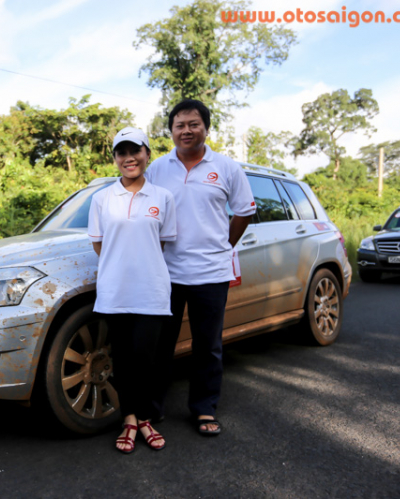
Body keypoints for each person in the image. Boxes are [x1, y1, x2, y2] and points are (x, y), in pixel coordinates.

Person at [144, 99, 256, 436]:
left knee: (207, 346)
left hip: (211, 273)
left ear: (206, 128)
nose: (186, 130)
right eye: (179, 125)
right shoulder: (157, 169)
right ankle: (152, 409)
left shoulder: (226, 168)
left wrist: (223, 246)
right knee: (161, 345)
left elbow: (244, 212)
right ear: (171, 131)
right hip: (167, 273)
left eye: (193, 124)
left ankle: (204, 408)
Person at [88, 127, 176, 454]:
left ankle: (145, 419)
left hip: (152, 290)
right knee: (123, 360)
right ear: (114, 159)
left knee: (146, 359)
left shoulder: (163, 198)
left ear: (147, 154)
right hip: (114, 291)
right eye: (121, 153)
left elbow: (163, 243)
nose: (129, 159)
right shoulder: (102, 199)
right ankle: (130, 419)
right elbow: (99, 244)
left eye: (135, 151)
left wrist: (140, 264)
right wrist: (121, 266)